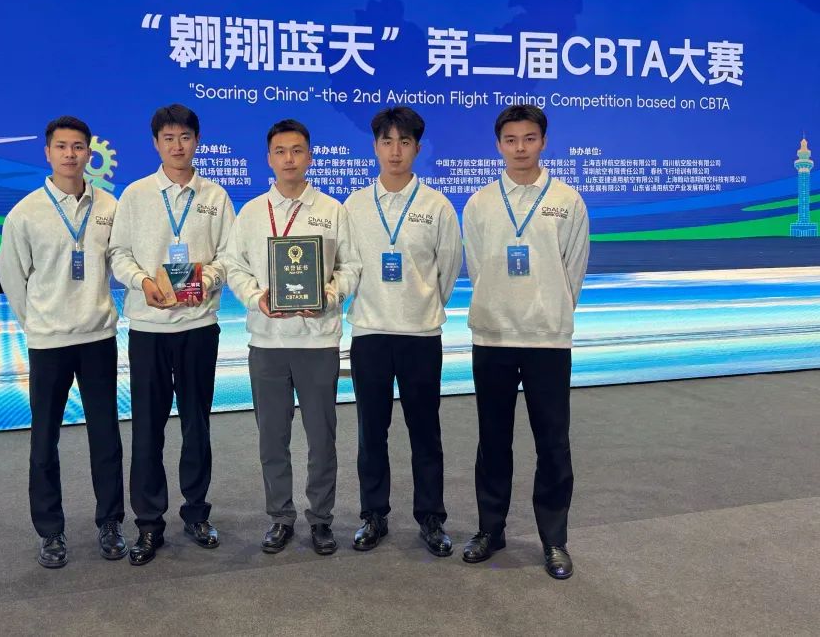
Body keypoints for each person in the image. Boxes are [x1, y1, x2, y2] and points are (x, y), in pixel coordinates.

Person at [459, 105, 590, 580]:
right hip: (493, 335)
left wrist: (549, 310)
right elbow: (478, 267)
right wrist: (501, 305)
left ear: (543, 142)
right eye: (511, 140)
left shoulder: (567, 200)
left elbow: (573, 269)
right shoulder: (480, 203)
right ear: (499, 145)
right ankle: (490, 530)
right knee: (493, 440)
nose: (520, 148)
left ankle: (554, 539)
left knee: (553, 443)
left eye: (529, 138)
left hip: (547, 339)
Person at [224, 118, 361, 556]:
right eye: (280, 151)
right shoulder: (251, 212)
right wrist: (255, 298)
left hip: (317, 341)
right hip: (267, 342)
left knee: (321, 438)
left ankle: (321, 519)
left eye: (297, 150)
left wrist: (330, 294)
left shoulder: (332, 210)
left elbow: (351, 266)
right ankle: (280, 517)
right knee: (272, 438)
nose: (289, 159)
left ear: (310, 156)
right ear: (269, 158)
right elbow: (233, 266)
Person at [109, 104, 235, 567]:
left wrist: (204, 279)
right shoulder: (136, 195)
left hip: (199, 328)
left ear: (196, 141)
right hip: (149, 329)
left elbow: (230, 255)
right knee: (147, 428)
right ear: (156, 144)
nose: (177, 146)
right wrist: (143, 282)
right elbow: (118, 253)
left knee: (197, 424)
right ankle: (148, 523)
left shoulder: (215, 196)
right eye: (168, 138)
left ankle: (197, 513)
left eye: (185, 137)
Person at [0, 115, 125, 569]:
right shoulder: (25, 212)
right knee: (44, 439)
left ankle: (111, 522)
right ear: (47, 153)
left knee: (106, 436)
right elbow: (13, 278)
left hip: (98, 336)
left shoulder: (109, 206)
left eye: (78, 147)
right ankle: (50, 531)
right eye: (62, 146)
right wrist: (38, 323)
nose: (71, 154)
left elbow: (120, 261)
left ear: (89, 153)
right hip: (48, 341)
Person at [343, 107, 463, 557]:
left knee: (425, 431)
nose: (395, 151)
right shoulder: (354, 206)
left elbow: (448, 269)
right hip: (370, 333)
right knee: (371, 431)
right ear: (375, 147)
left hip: (420, 335)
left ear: (418, 148)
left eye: (405, 142)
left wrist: (422, 305)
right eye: (387, 142)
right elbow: (346, 266)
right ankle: (373, 515)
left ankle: (431, 518)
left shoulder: (436, 206)